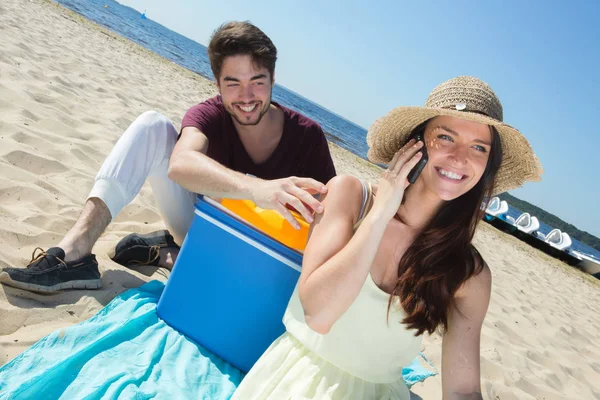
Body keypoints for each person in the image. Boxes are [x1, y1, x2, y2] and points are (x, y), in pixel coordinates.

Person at [231, 76, 543, 399]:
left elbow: (462, 391)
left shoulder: (469, 274)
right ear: (417, 143)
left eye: (479, 148)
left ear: (487, 166)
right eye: (446, 137)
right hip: (298, 382)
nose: (460, 157)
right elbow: (319, 315)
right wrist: (380, 214)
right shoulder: (350, 197)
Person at [0, 21, 336, 293]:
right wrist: (257, 188)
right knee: (153, 125)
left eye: (257, 82)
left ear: (274, 79)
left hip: (261, 257)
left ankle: (169, 253)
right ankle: (75, 253)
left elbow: (337, 214)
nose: (246, 97)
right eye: (232, 83)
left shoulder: (307, 135)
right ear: (217, 84)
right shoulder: (209, 114)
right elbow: (180, 164)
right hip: (201, 227)